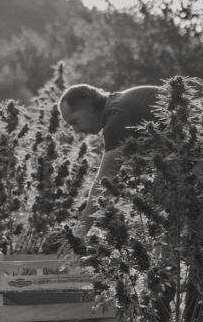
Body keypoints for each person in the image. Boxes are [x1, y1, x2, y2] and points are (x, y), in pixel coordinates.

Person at [59, 83, 160, 235]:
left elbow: (104, 182)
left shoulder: (116, 117)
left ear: (88, 106)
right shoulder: (117, 105)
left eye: (74, 122)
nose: (76, 130)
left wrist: (79, 235)